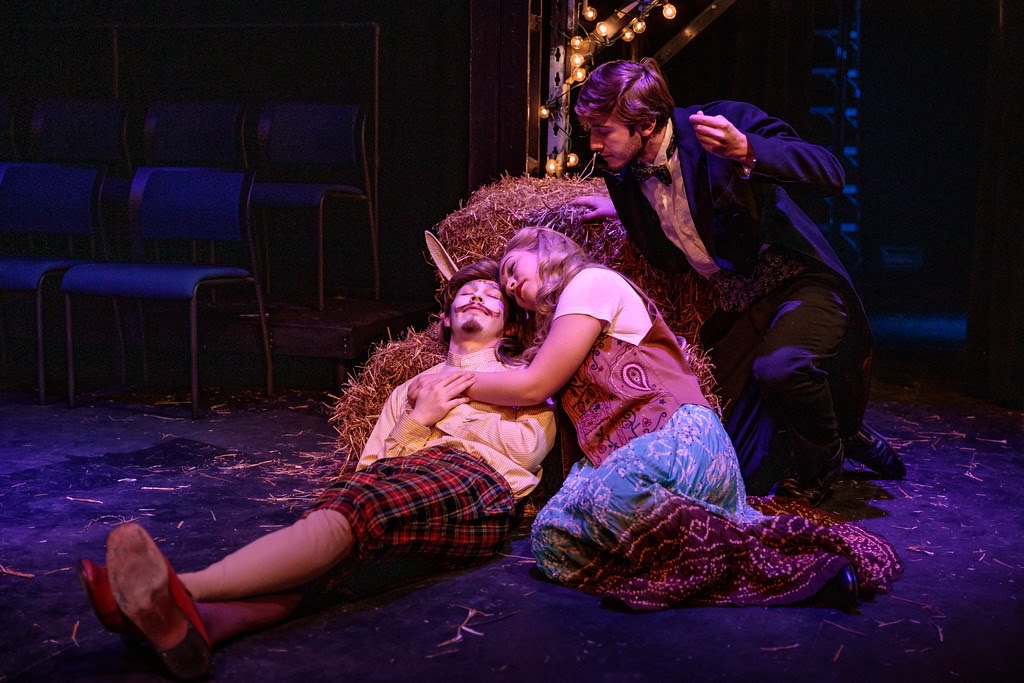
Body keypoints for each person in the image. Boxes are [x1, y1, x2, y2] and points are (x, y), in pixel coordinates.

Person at [76, 260, 556, 680]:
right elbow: (375, 467)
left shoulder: (525, 382)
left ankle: (174, 589)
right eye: (466, 292)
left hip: (478, 484)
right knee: (343, 546)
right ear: (446, 319)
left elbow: (526, 450)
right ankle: (197, 627)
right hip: (407, 487)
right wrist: (416, 420)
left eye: (493, 295)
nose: (477, 296)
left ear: (510, 327)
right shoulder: (409, 391)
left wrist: (448, 408)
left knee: (363, 506)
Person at [414, 227, 899, 611]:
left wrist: (449, 382)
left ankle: (782, 567)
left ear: (543, 249)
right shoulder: (555, 330)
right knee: (550, 538)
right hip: (617, 460)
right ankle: (695, 565)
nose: (509, 284)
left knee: (614, 493)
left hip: (679, 437)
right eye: (506, 285)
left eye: (511, 269)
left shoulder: (589, 283)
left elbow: (532, 386)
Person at [568, 58, 905, 505]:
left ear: (646, 124)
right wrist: (627, 211)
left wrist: (748, 149)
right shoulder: (626, 176)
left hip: (797, 281)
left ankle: (823, 468)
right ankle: (841, 430)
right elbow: (677, 229)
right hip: (739, 302)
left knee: (781, 367)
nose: (593, 144)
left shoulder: (719, 124)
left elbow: (829, 170)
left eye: (602, 130)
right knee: (720, 432)